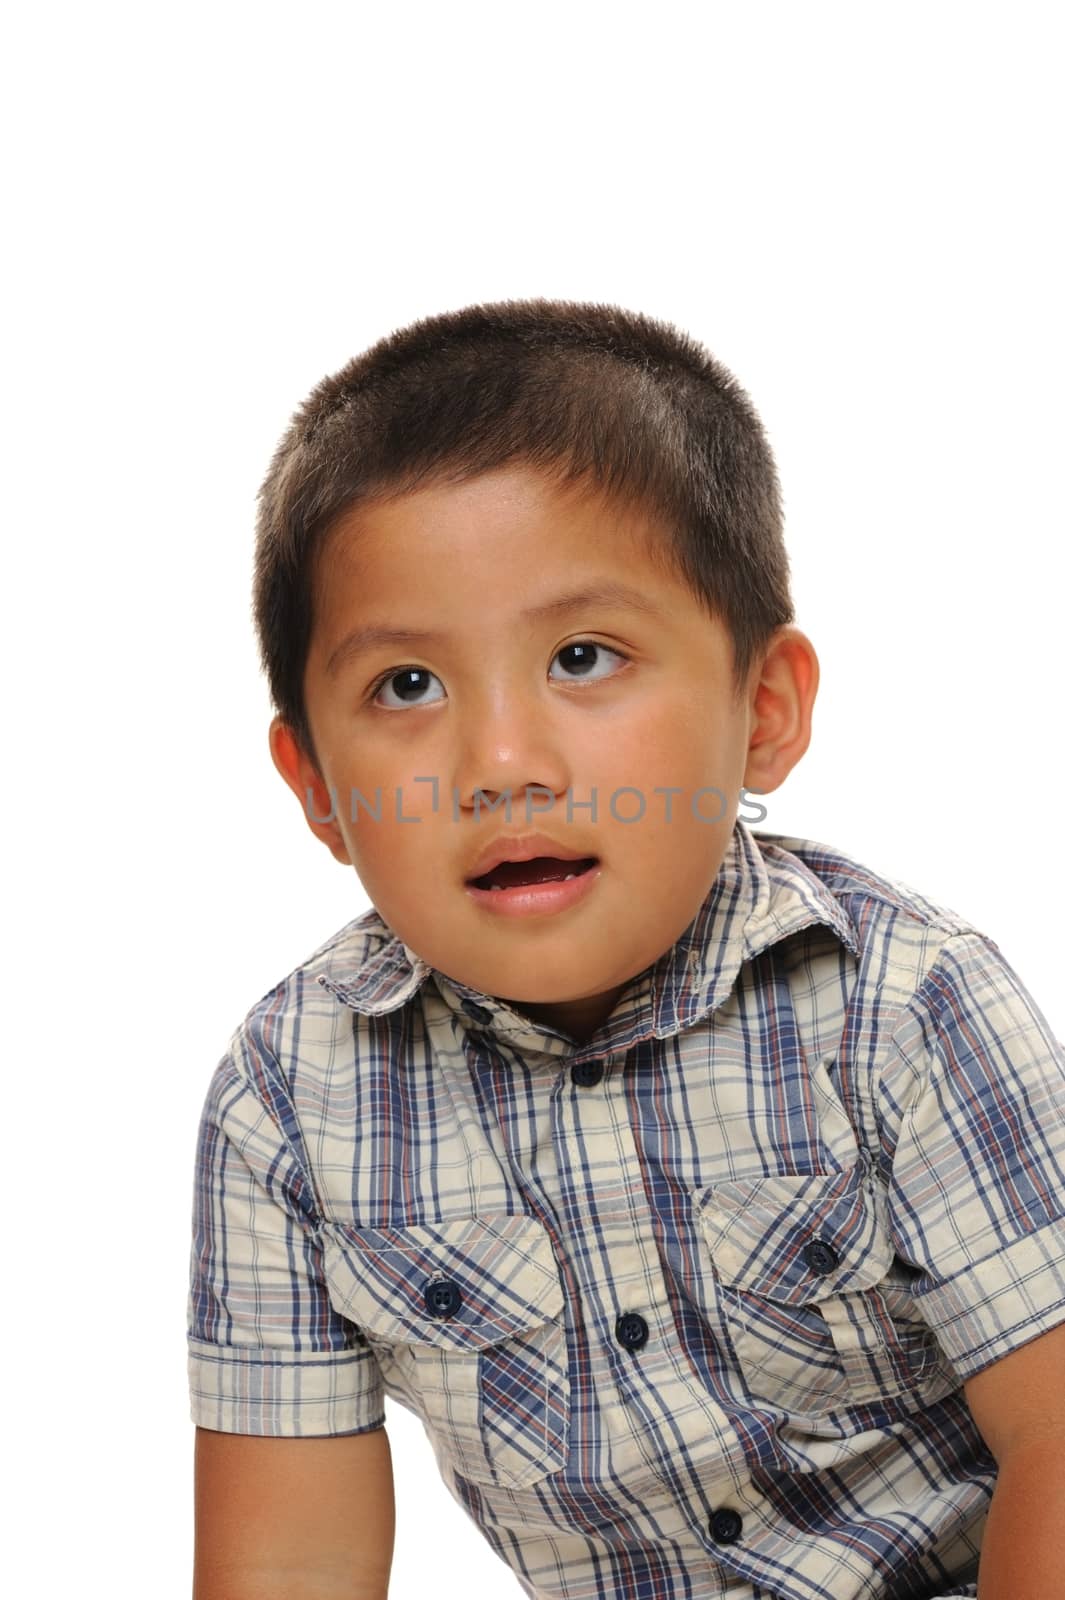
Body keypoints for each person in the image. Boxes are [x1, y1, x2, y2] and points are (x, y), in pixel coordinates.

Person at [187, 299, 1065, 1600]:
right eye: (406, 687)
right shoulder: (290, 1100)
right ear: (315, 784)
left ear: (760, 710)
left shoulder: (899, 998)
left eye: (582, 657)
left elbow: (1054, 1440)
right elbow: (288, 1562)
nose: (501, 766)